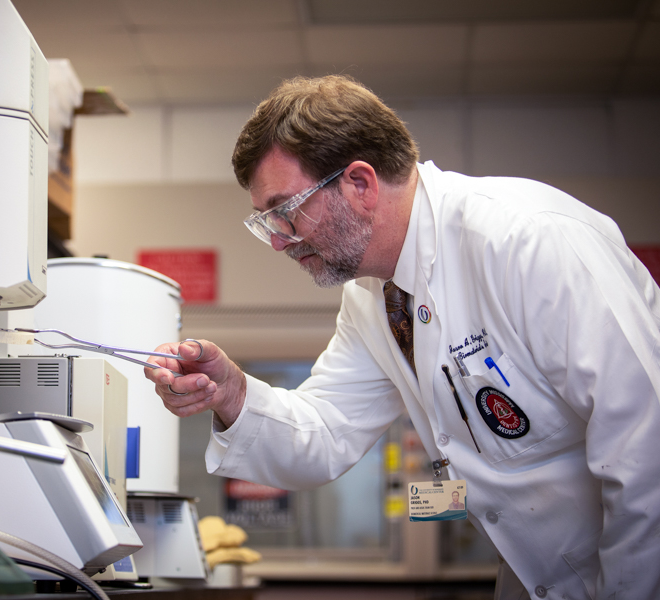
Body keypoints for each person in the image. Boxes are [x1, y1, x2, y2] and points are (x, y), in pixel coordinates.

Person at [144, 75, 660, 600]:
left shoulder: (525, 239)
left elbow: (648, 449)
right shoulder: (374, 297)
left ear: (360, 184)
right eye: (265, 221)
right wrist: (232, 393)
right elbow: (326, 431)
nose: (278, 241)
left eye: (283, 211)